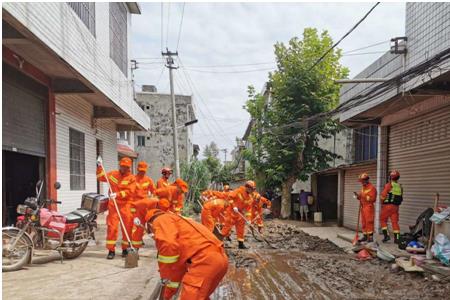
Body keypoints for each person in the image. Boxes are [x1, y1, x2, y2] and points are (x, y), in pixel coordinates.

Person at [145, 208, 228, 300]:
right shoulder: (178, 222)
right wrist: (167, 296)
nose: (156, 237)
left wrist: (165, 275)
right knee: (201, 297)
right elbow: (176, 272)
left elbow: (168, 245)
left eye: (152, 233)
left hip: (204, 261)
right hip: (219, 260)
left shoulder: (160, 220)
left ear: (150, 225)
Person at [97, 157, 136, 259]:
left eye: (126, 167)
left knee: (127, 228)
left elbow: (130, 192)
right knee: (112, 228)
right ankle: (111, 250)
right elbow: (101, 177)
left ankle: (125, 249)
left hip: (126, 205)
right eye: (122, 166)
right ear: (120, 165)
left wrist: (118, 194)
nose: (124, 168)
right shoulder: (113, 174)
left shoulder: (132, 178)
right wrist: (99, 166)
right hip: (113, 205)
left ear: (129, 167)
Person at [221, 180, 256, 249]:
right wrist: (234, 206)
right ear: (247, 187)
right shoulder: (238, 191)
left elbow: (249, 210)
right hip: (231, 211)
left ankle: (241, 244)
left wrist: (249, 220)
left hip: (240, 214)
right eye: (252, 189)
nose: (252, 191)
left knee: (241, 229)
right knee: (227, 228)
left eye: (253, 189)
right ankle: (218, 242)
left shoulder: (250, 198)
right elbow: (230, 197)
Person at [131, 161, 156, 249]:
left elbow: (154, 191)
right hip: (136, 207)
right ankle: (135, 247)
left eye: (144, 171)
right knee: (137, 227)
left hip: (145, 206)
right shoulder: (133, 179)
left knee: (149, 226)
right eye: (141, 170)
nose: (142, 172)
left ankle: (139, 240)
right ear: (137, 169)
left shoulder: (148, 180)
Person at [380, 170, 403, 243]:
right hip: (396, 207)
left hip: (387, 206)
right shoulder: (400, 186)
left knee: (383, 220)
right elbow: (401, 197)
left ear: (390, 177)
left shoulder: (389, 185)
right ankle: (397, 238)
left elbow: (383, 196)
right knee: (395, 223)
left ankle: (386, 236)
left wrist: (382, 202)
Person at [356, 173, 377, 243]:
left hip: (369, 207)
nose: (361, 183)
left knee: (369, 222)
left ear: (366, 180)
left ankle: (370, 237)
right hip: (363, 207)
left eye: (362, 181)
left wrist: (363, 196)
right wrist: (358, 196)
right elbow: (361, 196)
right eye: (361, 181)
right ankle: (365, 236)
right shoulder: (363, 188)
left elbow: (373, 199)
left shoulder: (372, 188)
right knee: (364, 222)